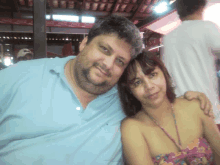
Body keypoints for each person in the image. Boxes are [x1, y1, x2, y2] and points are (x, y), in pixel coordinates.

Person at [0, 15, 214, 165]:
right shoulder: (18, 78)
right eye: (104, 49)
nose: (108, 64)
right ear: (84, 43)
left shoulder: (123, 96)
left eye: (120, 61)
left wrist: (189, 97)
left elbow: (155, 98)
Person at [118, 51, 220, 165]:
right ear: (130, 91)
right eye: (137, 82)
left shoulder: (196, 106)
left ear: (164, 73)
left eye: (152, 75)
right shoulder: (132, 128)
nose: (149, 86)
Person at [162, 0, 220, 124]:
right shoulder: (208, 28)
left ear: (178, 12)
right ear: (202, 6)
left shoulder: (168, 39)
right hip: (207, 111)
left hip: (180, 113)